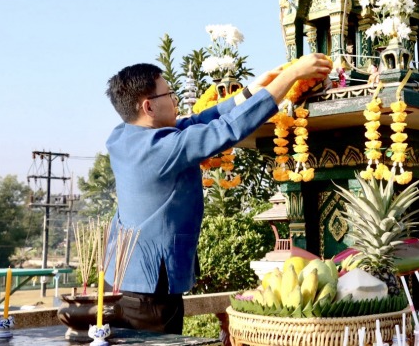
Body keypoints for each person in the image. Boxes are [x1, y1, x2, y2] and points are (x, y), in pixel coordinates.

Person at [103, 53, 332, 333]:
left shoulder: (121, 137)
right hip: (152, 293)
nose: (175, 101)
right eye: (169, 93)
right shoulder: (164, 148)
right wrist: (291, 76)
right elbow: (227, 129)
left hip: (121, 280)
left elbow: (196, 121)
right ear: (148, 106)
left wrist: (248, 92)